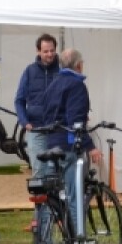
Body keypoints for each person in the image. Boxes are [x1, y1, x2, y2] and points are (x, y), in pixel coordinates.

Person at [42, 48, 102, 229]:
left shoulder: (53, 84)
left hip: (51, 144)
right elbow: (76, 123)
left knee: (50, 195)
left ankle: (45, 240)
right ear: (79, 65)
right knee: (73, 195)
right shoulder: (76, 85)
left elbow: (46, 115)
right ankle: (78, 240)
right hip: (68, 145)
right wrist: (90, 146)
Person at [15, 34, 60, 182]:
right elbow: (19, 100)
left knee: (56, 172)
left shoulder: (62, 71)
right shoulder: (29, 71)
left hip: (57, 130)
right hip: (36, 130)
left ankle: (57, 205)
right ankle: (41, 206)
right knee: (39, 172)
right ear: (38, 51)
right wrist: (25, 122)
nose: (49, 54)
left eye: (52, 50)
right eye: (46, 51)